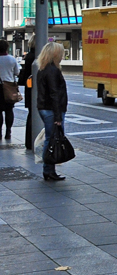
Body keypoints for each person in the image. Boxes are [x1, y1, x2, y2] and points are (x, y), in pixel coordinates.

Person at [36, 42, 69, 182]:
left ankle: (49, 170)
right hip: (52, 109)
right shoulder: (53, 70)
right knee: (51, 139)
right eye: (61, 53)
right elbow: (54, 93)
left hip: (45, 107)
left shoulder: (43, 69)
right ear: (55, 54)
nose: (62, 56)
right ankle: (48, 170)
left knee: (50, 139)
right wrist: (58, 116)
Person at [0, 41, 20, 140]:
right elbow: (17, 72)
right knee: (9, 110)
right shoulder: (12, 59)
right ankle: (8, 131)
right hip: (9, 87)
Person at [18, 37, 35, 150]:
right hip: (34, 89)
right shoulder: (35, 56)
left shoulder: (29, 55)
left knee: (31, 115)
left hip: (30, 88)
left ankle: (29, 141)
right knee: (33, 115)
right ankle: (31, 141)